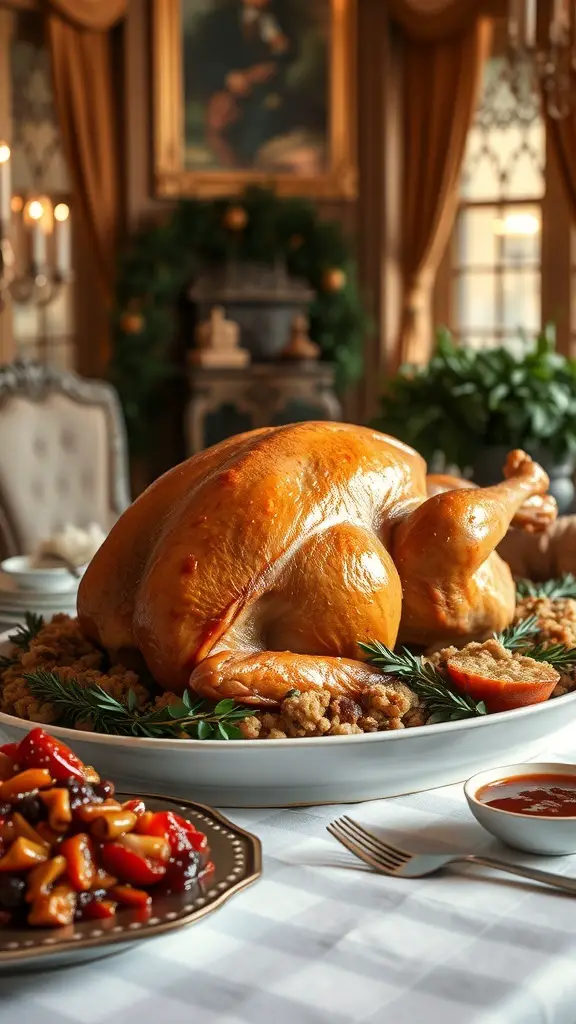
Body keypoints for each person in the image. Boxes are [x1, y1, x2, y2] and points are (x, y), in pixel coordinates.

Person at [184, 0, 293, 168]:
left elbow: (285, 59)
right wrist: (228, 78)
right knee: (220, 117)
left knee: (267, 109)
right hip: (222, 85)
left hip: (261, 88)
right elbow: (202, 58)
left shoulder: (276, 20)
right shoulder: (220, 19)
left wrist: (280, 51)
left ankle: (249, 169)